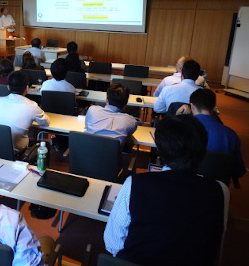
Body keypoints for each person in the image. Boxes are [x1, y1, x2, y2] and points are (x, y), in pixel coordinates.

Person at [104, 115, 229, 266]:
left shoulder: (135, 183)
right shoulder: (219, 190)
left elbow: (113, 243)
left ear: (160, 151)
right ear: (202, 150)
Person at [188, 89, 246, 179]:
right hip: (217, 185)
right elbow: (239, 171)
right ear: (214, 107)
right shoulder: (230, 134)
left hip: (186, 182)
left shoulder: (183, 128)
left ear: (192, 106)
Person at [0, 70, 50, 150]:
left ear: (8, 86)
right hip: (19, 150)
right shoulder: (31, 106)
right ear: (27, 88)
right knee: (45, 145)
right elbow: (46, 122)